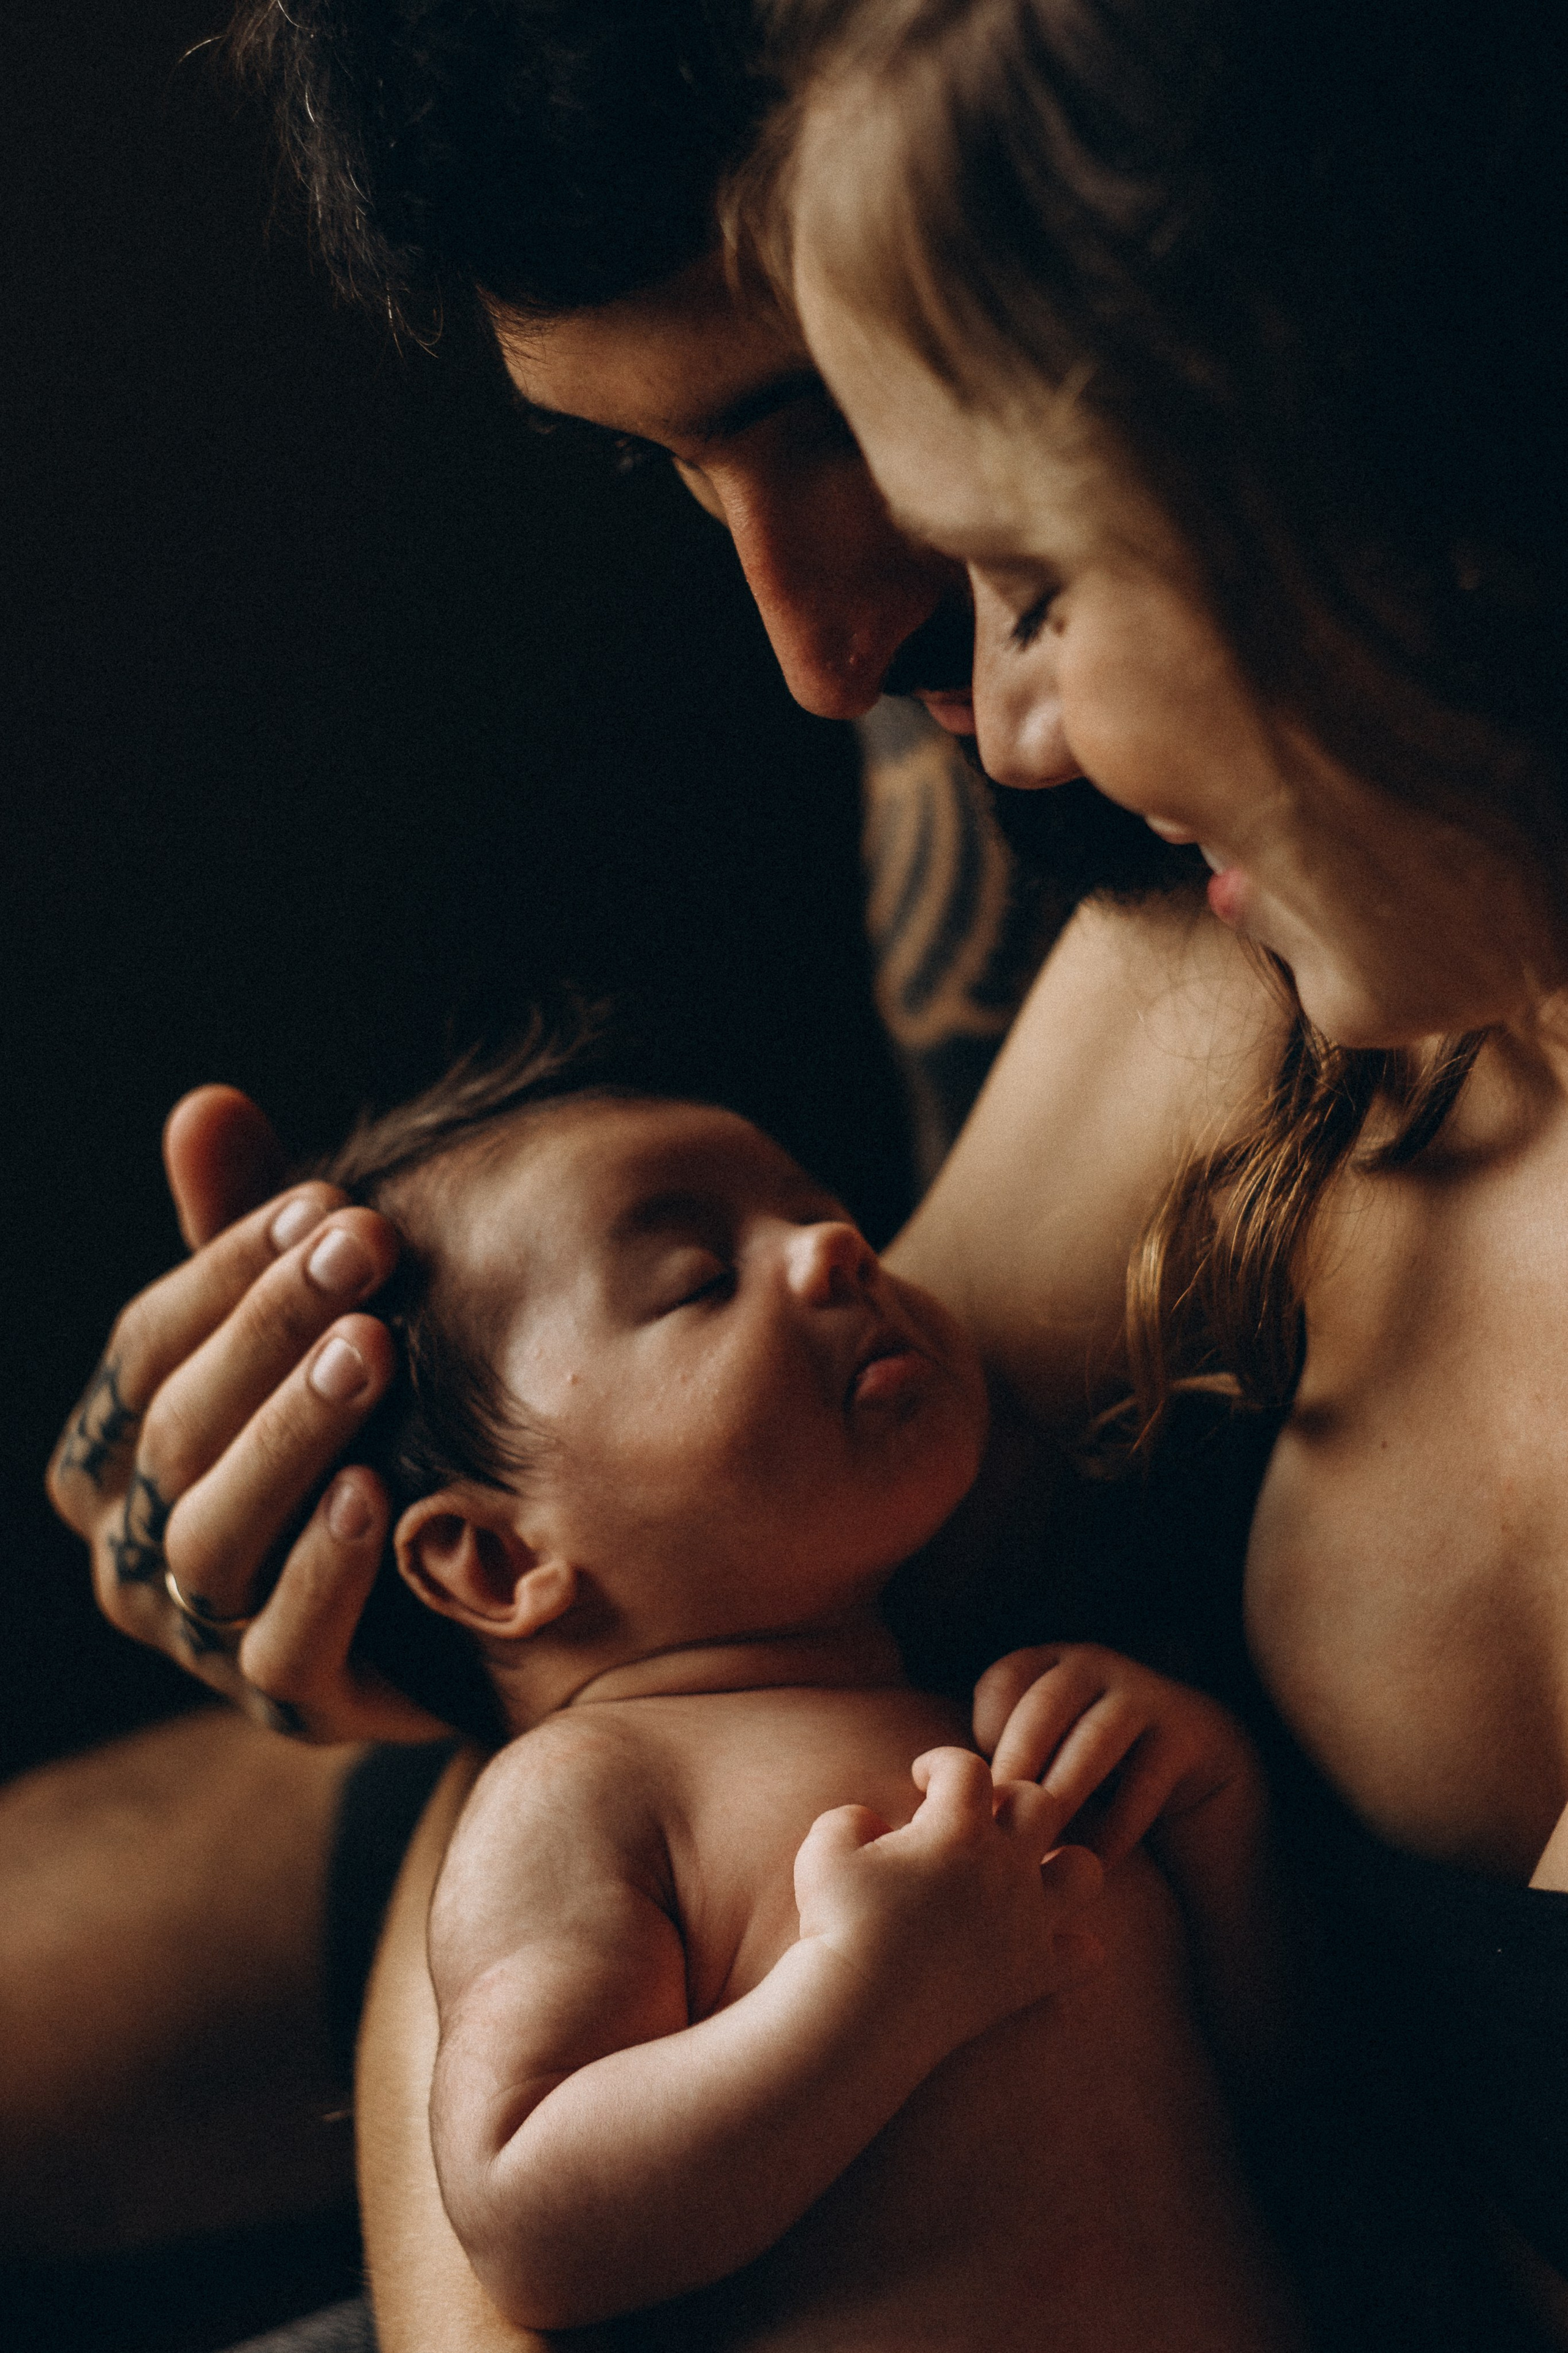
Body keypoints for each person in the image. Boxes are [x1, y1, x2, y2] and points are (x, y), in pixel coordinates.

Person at [19, 0, 1189, 2281]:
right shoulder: (976, 705)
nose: (823, 643)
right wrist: (319, 1551)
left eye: (829, 408)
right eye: (673, 465)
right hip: (677, 1716)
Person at [745, 0, 1568, 2334]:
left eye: (1034, 582)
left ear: (1370, 487)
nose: (1006, 739)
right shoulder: (1241, 1060)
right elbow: (635, 1717)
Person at [314, 1025, 1298, 2350]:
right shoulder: (581, 1790)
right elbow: (530, 2212)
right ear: (496, 1556)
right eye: (698, 1278)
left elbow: (1282, 2106)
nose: (834, 1249)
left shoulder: (994, 1715)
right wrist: (857, 2000)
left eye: (825, 1214)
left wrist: (1208, 1808)